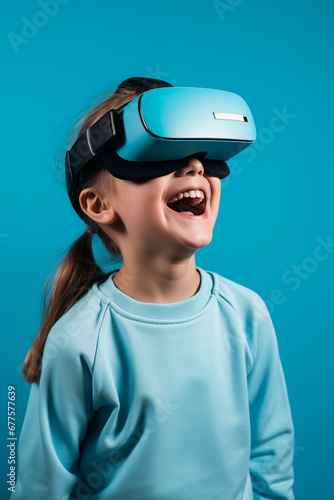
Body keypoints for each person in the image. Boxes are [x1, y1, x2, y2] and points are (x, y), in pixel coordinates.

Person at [12, 77, 295, 500]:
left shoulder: (246, 313)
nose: (195, 167)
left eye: (203, 157)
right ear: (98, 205)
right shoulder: (78, 342)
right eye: (162, 155)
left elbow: (271, 456)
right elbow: (39, 487)